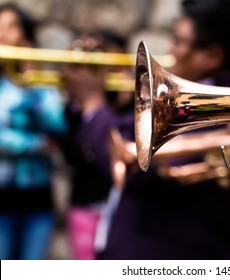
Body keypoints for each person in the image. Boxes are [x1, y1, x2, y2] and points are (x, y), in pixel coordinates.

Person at [101, 0, 230, 260]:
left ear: (213, 56)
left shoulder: (226, 110)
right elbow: (119, 146)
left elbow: (139, 172)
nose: (170, 49)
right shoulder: (176, 96)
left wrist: (93, 105)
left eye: (179, 41)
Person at [0, 3, 67, 259]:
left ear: (25, 35)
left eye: (10, 27)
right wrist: (38, 144)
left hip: (37, 199)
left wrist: (32, 80)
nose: (2, 34)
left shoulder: (40, 81)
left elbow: (58, 126)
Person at [59, 30, 133, 260]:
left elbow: (115, 156)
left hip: (122, 208)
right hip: (86, 203)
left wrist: (109, 102)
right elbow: (71, 154)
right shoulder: (76, 107)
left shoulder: (129, 101)